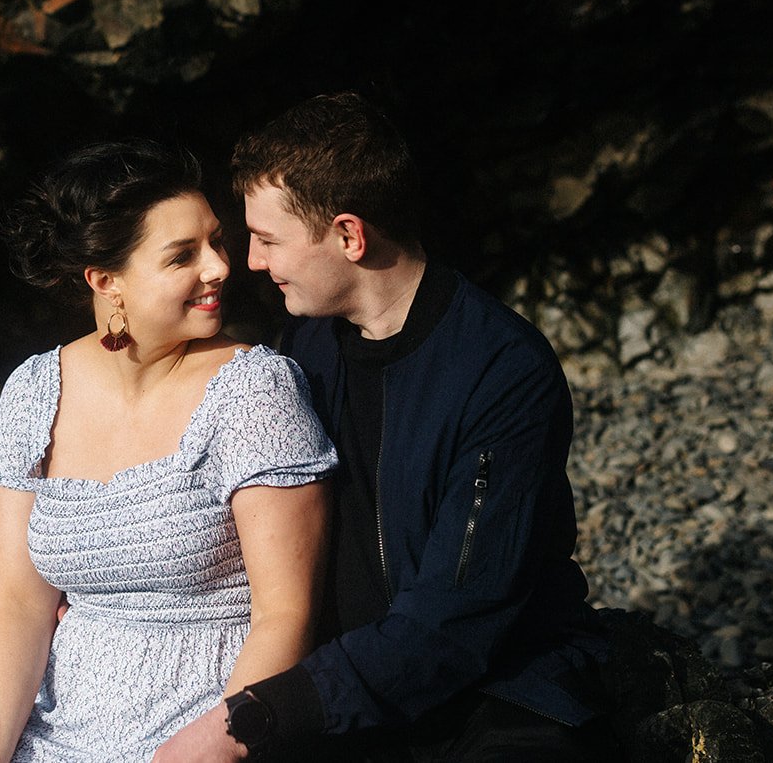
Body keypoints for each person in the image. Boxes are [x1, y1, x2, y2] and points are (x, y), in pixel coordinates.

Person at [155, 94, 614, 762]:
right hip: (343, 683)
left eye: (269, 238)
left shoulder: (503, 370)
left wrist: (255, 718)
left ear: (349, 235)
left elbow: (455, 623)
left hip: (494, 691)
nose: (251, 261)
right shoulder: (303, 345)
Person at [0, 140, 337, 763]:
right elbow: (18, 601)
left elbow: (285, 614)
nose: (221, 267)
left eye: (216, 241)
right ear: (106, 281)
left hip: (206, 731)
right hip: (58, 725)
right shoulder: (35, 392)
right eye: (183, 256)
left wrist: (224, 744)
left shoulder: (256, 392)